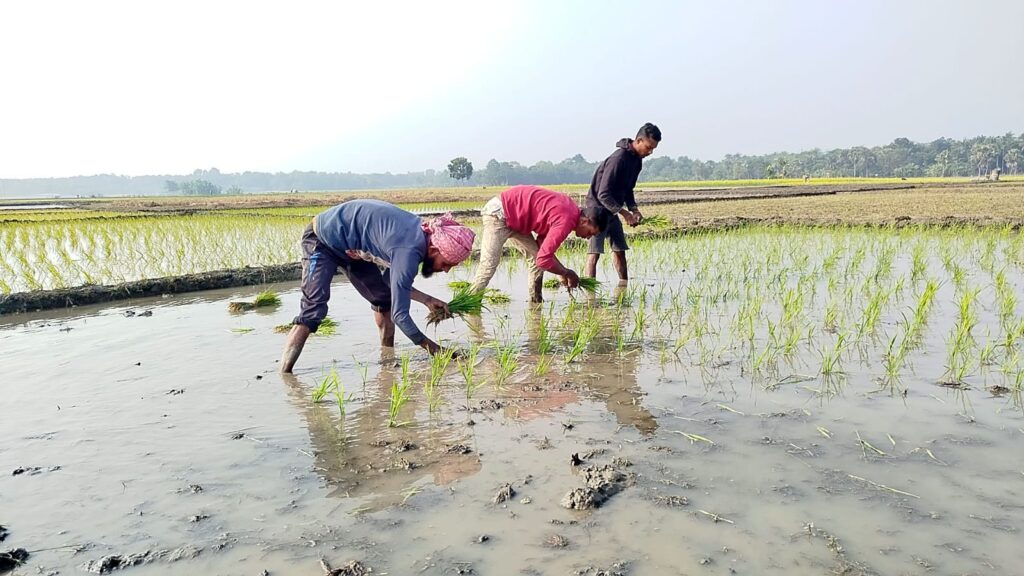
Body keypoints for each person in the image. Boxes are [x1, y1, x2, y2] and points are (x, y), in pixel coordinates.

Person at [279, 200, 475, 373]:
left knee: (383, 299)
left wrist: (427, 300)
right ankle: (285, 374)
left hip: (353, 249)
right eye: (447, 263)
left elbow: (393, 284)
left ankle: (387, 360)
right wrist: (434, 349)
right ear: (434, 249)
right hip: (322, 239)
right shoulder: (408, 252)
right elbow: (401, 316)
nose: (447, 270)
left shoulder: (419, 239)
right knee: (313, 310)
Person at [469, 185, 610, 302]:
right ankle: (471, 303)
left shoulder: (570, 213)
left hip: (517, 220)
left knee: (535, 260)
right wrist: (567, 272)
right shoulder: (566, 220)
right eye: (590, 232)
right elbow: (544, 259)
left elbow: (543, 248)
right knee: (489, 265)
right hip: (500, 213)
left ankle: (535, 302)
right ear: (584, 221)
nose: (588, 237)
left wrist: (561, 273)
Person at [584, 122, 662, 282]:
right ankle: (590, 297)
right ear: (638, 141)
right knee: (594, 254)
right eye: (648, 147)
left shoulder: (637, 161)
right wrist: (625, 213)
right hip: (597, 211)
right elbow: (603, 194)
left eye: (653, 148)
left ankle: (623, 288)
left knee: (620, 250)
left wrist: (634, 209)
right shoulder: (618, 159)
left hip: (613, 210)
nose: (650, 152)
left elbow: (628, 189)